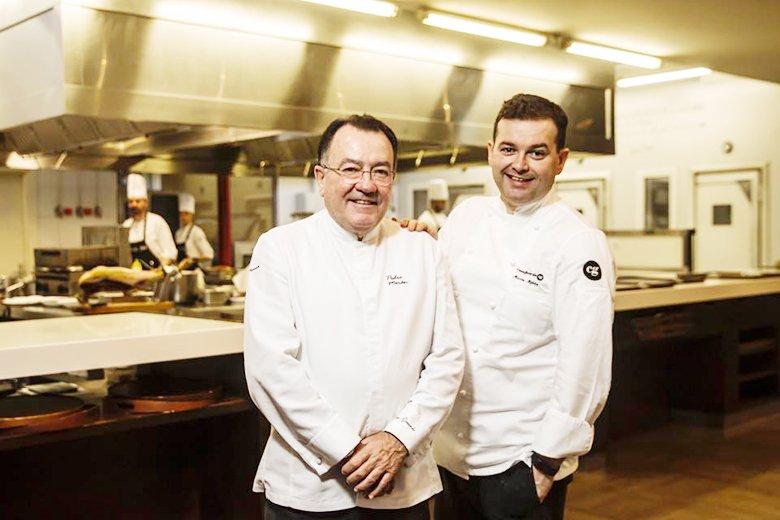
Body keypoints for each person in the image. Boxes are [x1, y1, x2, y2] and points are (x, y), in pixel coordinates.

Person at [243, 114, 464, 519]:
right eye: (350, 169)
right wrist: (348, 449)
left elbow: (447, 361)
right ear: (320, 178)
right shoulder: (281, 249)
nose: (366, 184)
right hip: (310, 487)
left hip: (402, 480)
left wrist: (399, 439)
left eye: (380, 171)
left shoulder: (423, 251)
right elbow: (271, 369)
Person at [420, 94, 615, 519]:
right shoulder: (466, 216)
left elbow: (586, 364)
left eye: (536, 152)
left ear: (560, 160)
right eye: (508, 149)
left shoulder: (578, 242)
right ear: (491, 152)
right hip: (449, 452)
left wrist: (546, 463)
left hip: (519, 458)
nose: (519, 164)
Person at [122, 173, 177, 269]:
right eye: (131, 202)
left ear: (146, 203)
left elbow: (171, 254)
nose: (134, 205)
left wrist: (159, 272)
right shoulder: (126, 225)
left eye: (138, 201)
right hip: (133, 277)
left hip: (157, 275)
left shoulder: (157, 222)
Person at [175, 192, 215, 268]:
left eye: (186, 214)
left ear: (192, 215)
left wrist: (193, 259)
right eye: (181, 214)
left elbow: (209, 255)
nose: (183, 217)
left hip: (195, 272)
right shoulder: (178, 233)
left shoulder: (197, 232)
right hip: (182, 272)